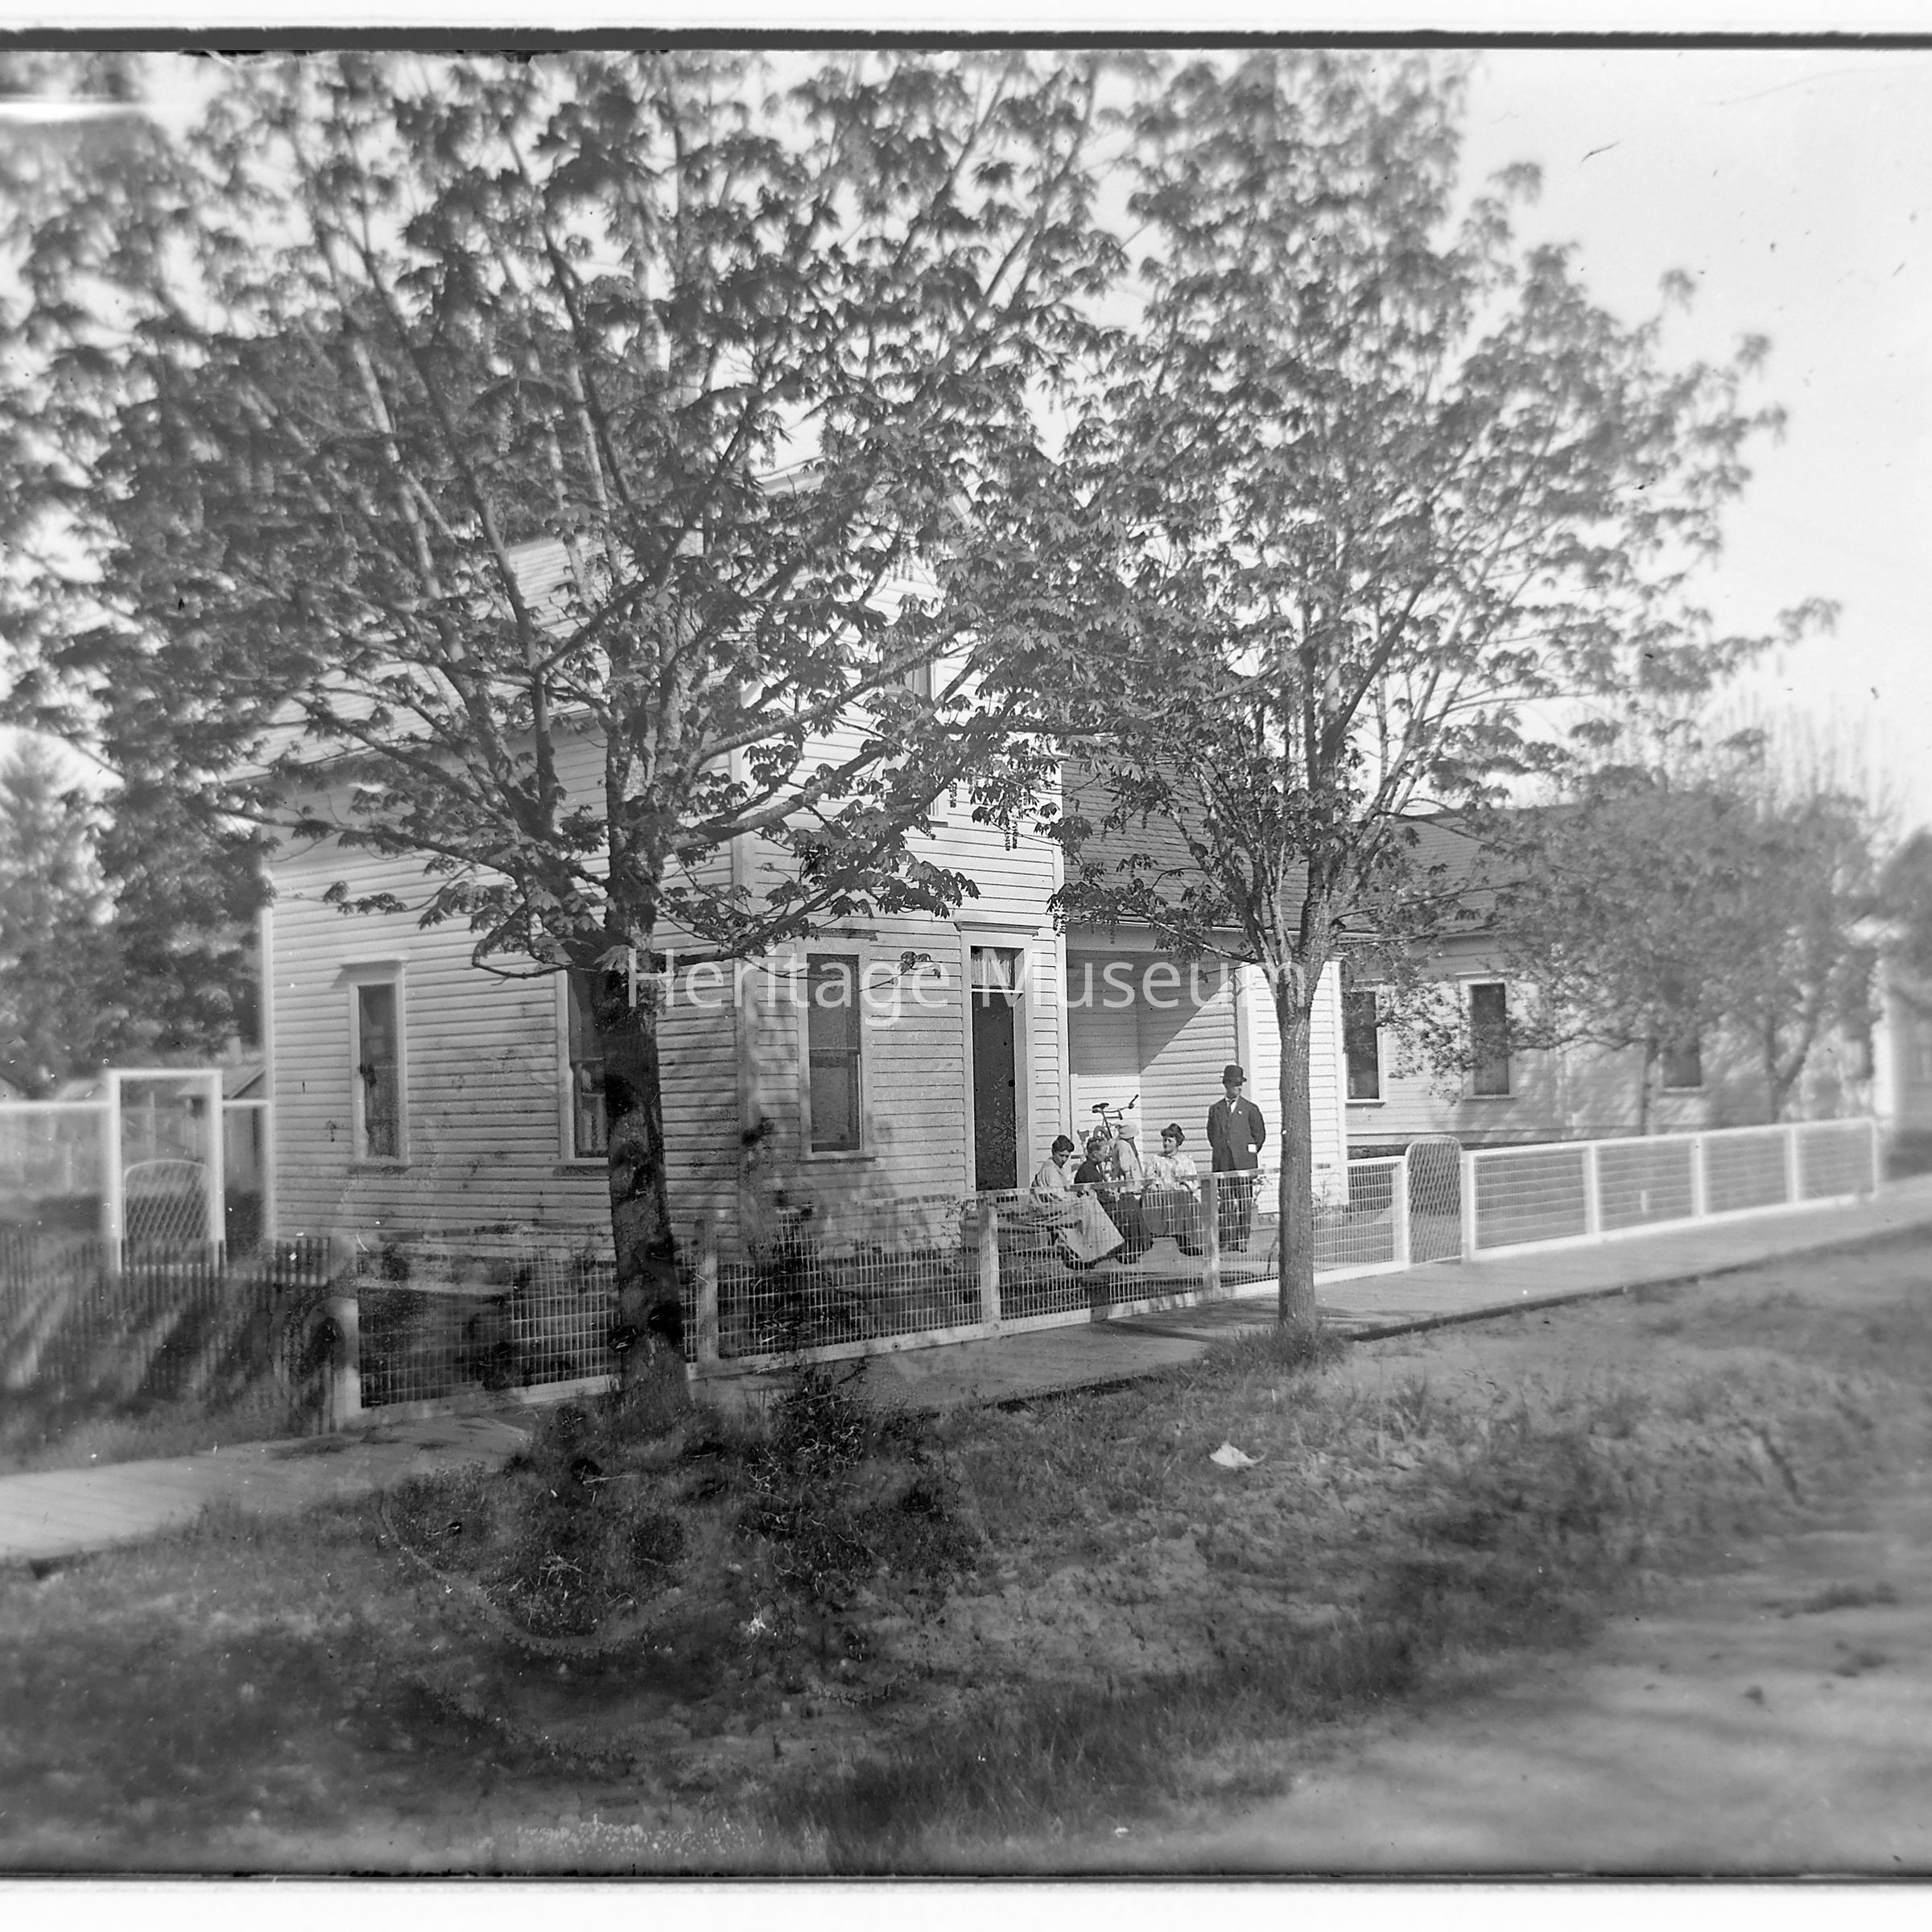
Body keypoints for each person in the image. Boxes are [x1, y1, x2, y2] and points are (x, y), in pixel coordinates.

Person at [1030, 1133, 1123, 1266]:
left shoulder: (1056, 1168)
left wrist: (1079, 1194)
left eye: (1067, 1156)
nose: (1064, 1159)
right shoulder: (1050, 1170)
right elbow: (1058, 1196)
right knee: (1086, 1207)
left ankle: (1104, 1245)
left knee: (1090, 1204)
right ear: (1053, 1152)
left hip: (1058, 1205)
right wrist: (1077, 1196)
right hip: (1048, 1210)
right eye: (1061, 1155)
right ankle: (1095, 1250)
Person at [1206, 1063, 1266, 1251]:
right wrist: (1221, 1150)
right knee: (1225, 1203)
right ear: (1226, 1085)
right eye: (1235, 1084)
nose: (1239, 1087)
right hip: (1223, 1163)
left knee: (1244, 1202)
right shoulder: (1215, 1109)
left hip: (1243, 1164)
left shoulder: (1250, 1109)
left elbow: (1259, 1135)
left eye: (1241, 1084)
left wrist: (1247, 1152)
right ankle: (1228, 1239)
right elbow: (1212, 1134)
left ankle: (1242, 1239)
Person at [1075, 1127, 1151, 1259]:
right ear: (1095, 1154)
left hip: (1099, 1204)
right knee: (1129, 1209)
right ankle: (1134, 1247)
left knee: (1130, 1201)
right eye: (1104, 1152)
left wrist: (1112, 1195)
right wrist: (1113, 1197)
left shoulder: (1091, 1168)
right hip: (1096, 1209)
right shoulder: (1088, 1171)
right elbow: (1099, 1196)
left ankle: (1139, 1244)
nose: (1107, 1155)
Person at [1140, 1121, 1202, 1253]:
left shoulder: (1186, 1160)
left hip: (1178, 1197)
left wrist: (1181, 1187)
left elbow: (1192, 1182)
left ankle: (1186, 1241)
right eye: (1164, 1140)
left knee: (1187, 1201)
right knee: (1150, 1199)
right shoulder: (1156, 1159)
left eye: (1169, 1141)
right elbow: (1148, 1179)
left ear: (1177, 1142)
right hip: (1160, 1196)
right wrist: (1155, 1185)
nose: (1166, 1144)